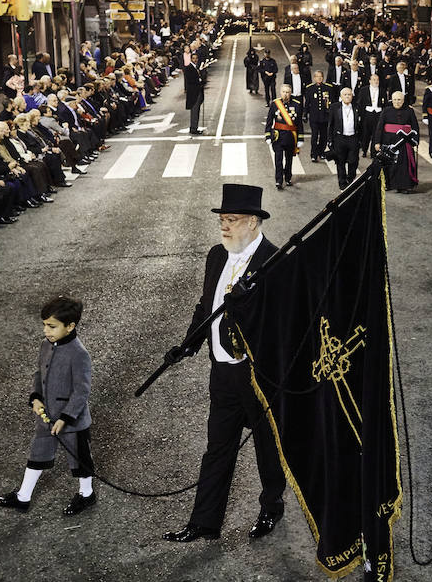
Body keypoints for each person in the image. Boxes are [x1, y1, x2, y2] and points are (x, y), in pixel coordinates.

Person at [163, 184, 287, 543]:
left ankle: (270, 508)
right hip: (222, 371)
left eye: (231, 220)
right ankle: (204, 521)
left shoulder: (274, 262)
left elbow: (280, 326)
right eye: (222, 220)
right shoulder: (216, 255)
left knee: (267, 447)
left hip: (257, 374)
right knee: (218, 446)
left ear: (253, 221)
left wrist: (247, 308)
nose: (224, 226)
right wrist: (188, 344)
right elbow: (206, 307)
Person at [0, 296, 97, 516]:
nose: (46, 331)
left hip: (71, 421)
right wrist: (35, 397)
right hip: (46, 415)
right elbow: (40, 373)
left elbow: (81, 391)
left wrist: (65, 418)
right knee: (37, 455)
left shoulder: (79, 354)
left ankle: (87, 495)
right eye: (44, 325)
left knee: (80, 460)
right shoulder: (45, 345)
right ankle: (23, 497)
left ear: (70, 326)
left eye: (52, 326)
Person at [374, 91, 420, 194]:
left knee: (403, 165)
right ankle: (389, 184)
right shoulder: (386, 111)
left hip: (404, 142)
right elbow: (379, 128)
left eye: (399, 100)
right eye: (394, 100)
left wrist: (415, 141)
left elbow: (415, 126)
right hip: (389, 141)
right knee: (389, 165)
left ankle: (403, 186)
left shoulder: (409, 111)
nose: (397, 102)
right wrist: (377, 142)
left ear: (403, 101)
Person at [264, 84, 303, 190]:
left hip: (291, 137)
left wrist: (300, 138)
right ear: (280, 92)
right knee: (278, 160)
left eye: (287, 92)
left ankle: (288, 178)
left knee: (289, 160)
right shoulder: (275, 104)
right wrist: (268, 135)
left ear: (291, 93)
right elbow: (269, 121)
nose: (285, 94)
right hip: (278, 137)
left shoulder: (297, 104)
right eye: (284, 92)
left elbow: (299, 123)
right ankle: (279, 180)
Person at [327, 87, 360, 190]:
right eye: (345, 94)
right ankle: (342, 183)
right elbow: (330, 125)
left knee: (353, 161)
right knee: (340, 162)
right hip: (339, 138)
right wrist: (330, 140)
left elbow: (361, 124)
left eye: (349, 94)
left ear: (352, 96)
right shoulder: (334, 107)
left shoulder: (357, 107)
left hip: (353, 138)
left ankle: (350, 179)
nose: (347, 96)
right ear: (341, 97)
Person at [303, 70, 333, 163]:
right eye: (317, 77)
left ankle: (321, 152)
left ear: (323, 78)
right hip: (314, 117)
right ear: (314, 78)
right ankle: (314, 154)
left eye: (321, 77)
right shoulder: (310, 88)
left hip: (325, 116)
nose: (319, 78)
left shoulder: (328, 88)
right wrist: (305, 114)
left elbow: (332, 102)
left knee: (324, 136)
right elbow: (307, 103)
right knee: (314, 136)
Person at [356, 74, 388, 158]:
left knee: (376, 133)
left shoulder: (382, 90)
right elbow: (360, 103)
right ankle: (364, 149)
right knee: (366, 133)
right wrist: (359, 115)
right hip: (367, 114)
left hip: (378, 114)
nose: (376, 81)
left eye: (377, 80)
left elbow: (385, 104)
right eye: (374, 79)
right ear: (370, 81)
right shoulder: (364, 90)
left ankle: (373, 152)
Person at [184, 52, 206, 135]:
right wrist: (199, 80)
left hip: (198, 91)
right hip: (193, 93)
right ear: (191, 59)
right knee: (194, 111)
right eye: (193, 58)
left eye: (196, 58)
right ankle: (193, 128)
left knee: (197, 111)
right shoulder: (189, 68)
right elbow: (190, 80)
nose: (195, 60)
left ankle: (195, 127)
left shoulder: (197, 67)